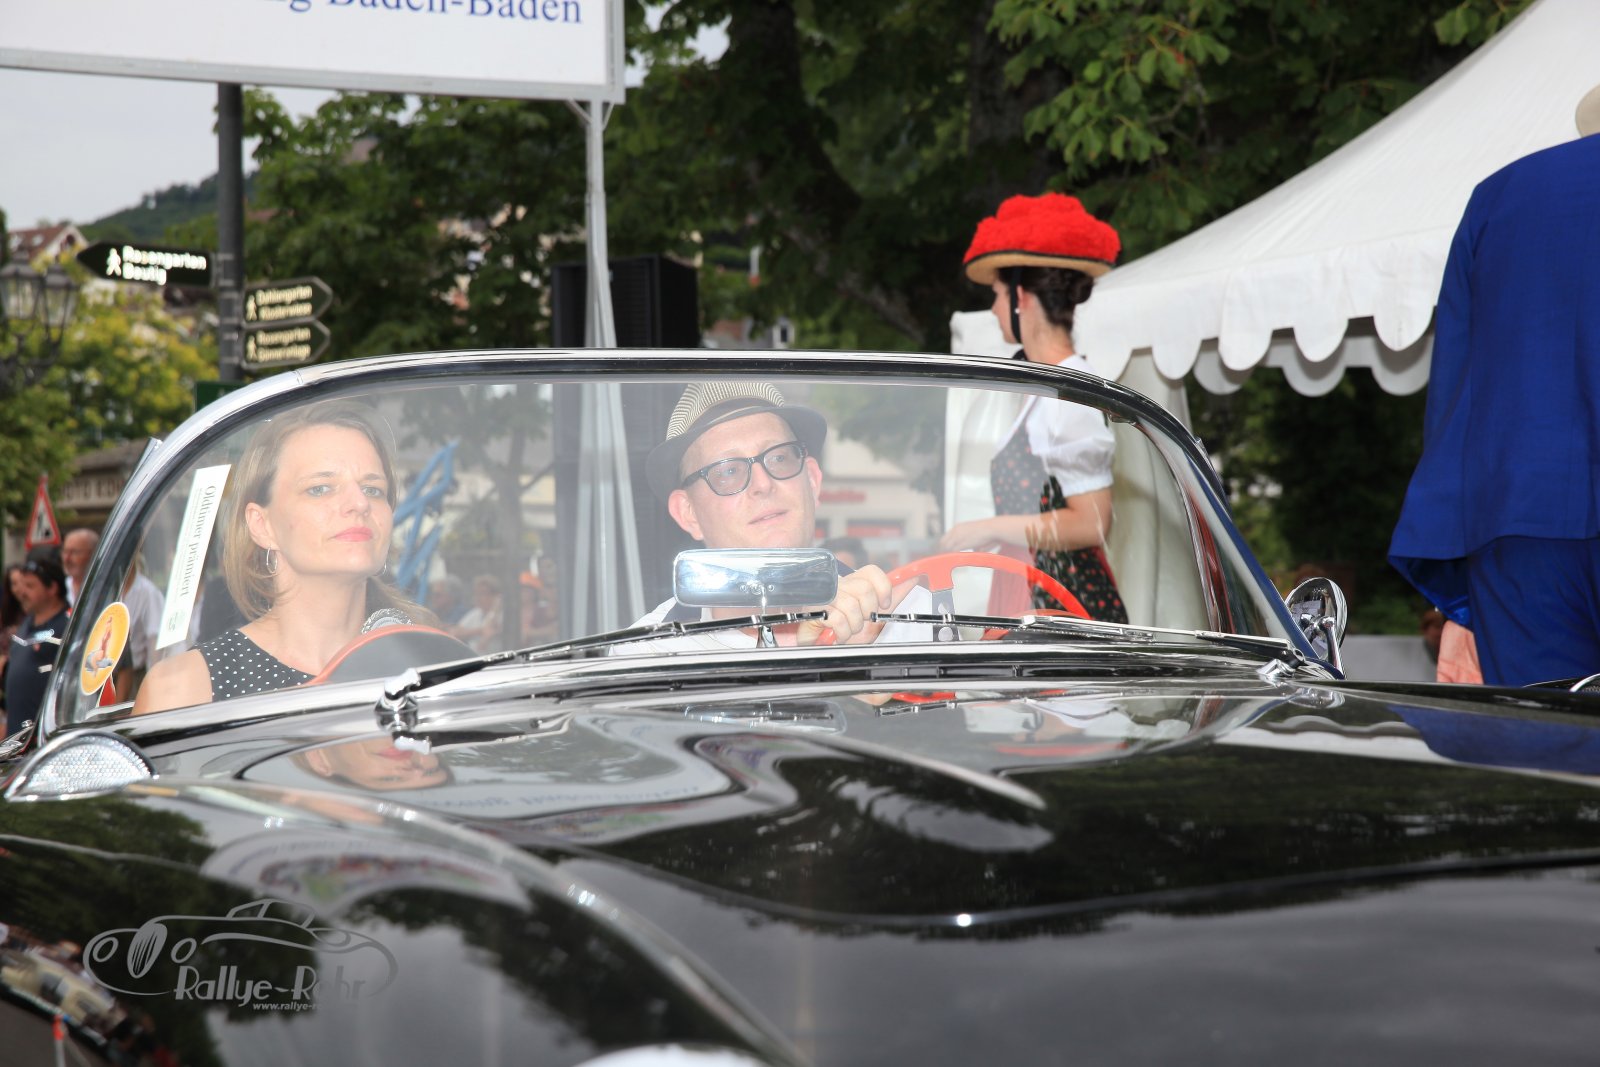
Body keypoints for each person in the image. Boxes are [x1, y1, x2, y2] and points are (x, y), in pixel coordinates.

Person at [1389, 85, 1600, 687]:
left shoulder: (1501, 194)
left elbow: (1458, 377)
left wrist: (1459, 576)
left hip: (1516, 521)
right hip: (1515, 518)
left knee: (1550, 737)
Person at [135, 400, 428, 713]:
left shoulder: (433, 664)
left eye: (373, 489)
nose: (359, 503)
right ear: (262, 525)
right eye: (320, 488)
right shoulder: (184, 690)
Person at [942, 192, 1128, 623]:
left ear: (1020, 297)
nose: (994, 308)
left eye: (997, 294)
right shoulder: (1048, 389)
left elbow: (1091, 523)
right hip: (1035, 585)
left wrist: (988, 527)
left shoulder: (1069, 395)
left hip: (1061, 600)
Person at [635, 381, 929, 649]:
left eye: (779, 457)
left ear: (812, 481)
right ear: (688, 513)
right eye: (728, 471)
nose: (763, 484)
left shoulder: (911, 620)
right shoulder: (648, 652)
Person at [4, 555, 71, 738]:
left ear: (52, 588)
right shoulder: (27, 623)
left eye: (30, 586)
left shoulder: (67, 627)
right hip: (16, 737)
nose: (22, 592)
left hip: (46, 738)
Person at [450, 574, 502, 652]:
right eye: (476, 593)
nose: (478, 597)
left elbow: (488, 634)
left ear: (495, 596)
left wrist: (495, 609)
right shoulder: (475, 613)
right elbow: (454, 633)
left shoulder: (501, 615)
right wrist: (479, 631)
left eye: (482, 593)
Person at [61, 527, 99, 607]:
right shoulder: (60, 589)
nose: (67, 559)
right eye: (65, 552)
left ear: (93, 553)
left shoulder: (106, 587)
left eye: (74, 552)